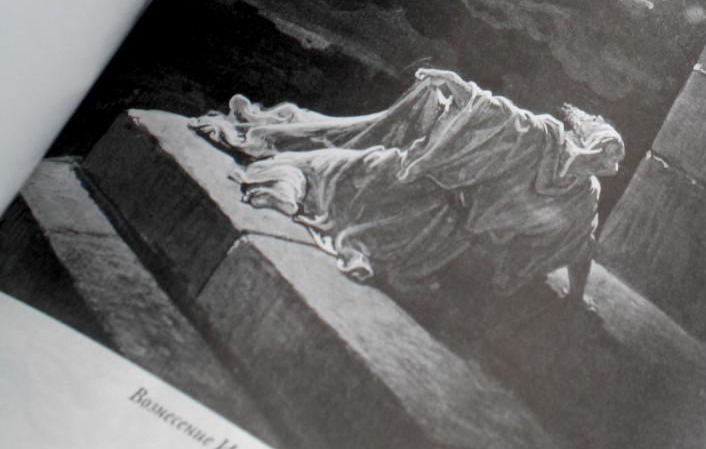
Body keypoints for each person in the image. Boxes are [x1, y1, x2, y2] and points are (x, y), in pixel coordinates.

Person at [191, 68, 623, 299]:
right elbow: (498, 113)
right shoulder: (545, 137)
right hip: (420, 189)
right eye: (608, 151)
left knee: (353, 209)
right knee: (332, 168)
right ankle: (284, 181)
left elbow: (579, 243)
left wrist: (575, 295)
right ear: (590, 143)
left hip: (439, 230)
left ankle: (287, 187)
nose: (611, 163)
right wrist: (456, 85)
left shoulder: (583, 196)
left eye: (614, 160)